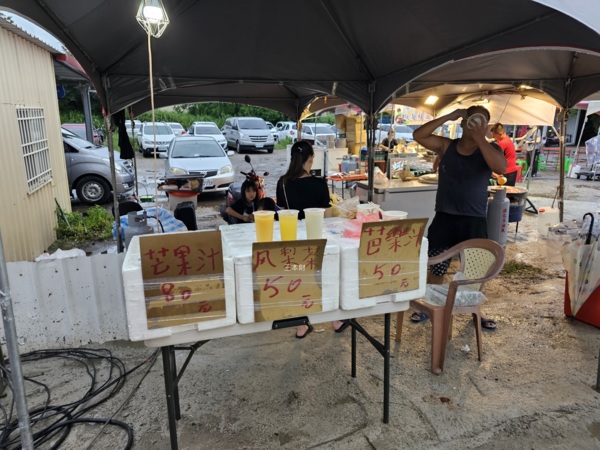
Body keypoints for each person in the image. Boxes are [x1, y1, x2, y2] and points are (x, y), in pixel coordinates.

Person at [410, 106, 507, 331]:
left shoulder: (490, 148)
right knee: (437, 266)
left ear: (486, 125)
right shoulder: (447, 145)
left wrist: (480, 137)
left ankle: (475, 308)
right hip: (445, 217)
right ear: (463, 122)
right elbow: (418, 135)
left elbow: (501, 168)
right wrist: (449, 116)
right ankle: (429, 304)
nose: (476, 125)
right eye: (472, 120)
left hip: (474, 219)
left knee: (476, 271)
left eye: (482, 121)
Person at [276, 140, 349, 338]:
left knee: (298, 279)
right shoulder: (319, 183)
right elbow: (327, 217)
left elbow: (283, 213)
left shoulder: (282, 183)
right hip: (316, 238)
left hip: (293, 239)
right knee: (327, 276)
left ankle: (302, 324)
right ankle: (336, 320)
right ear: (310, 158)